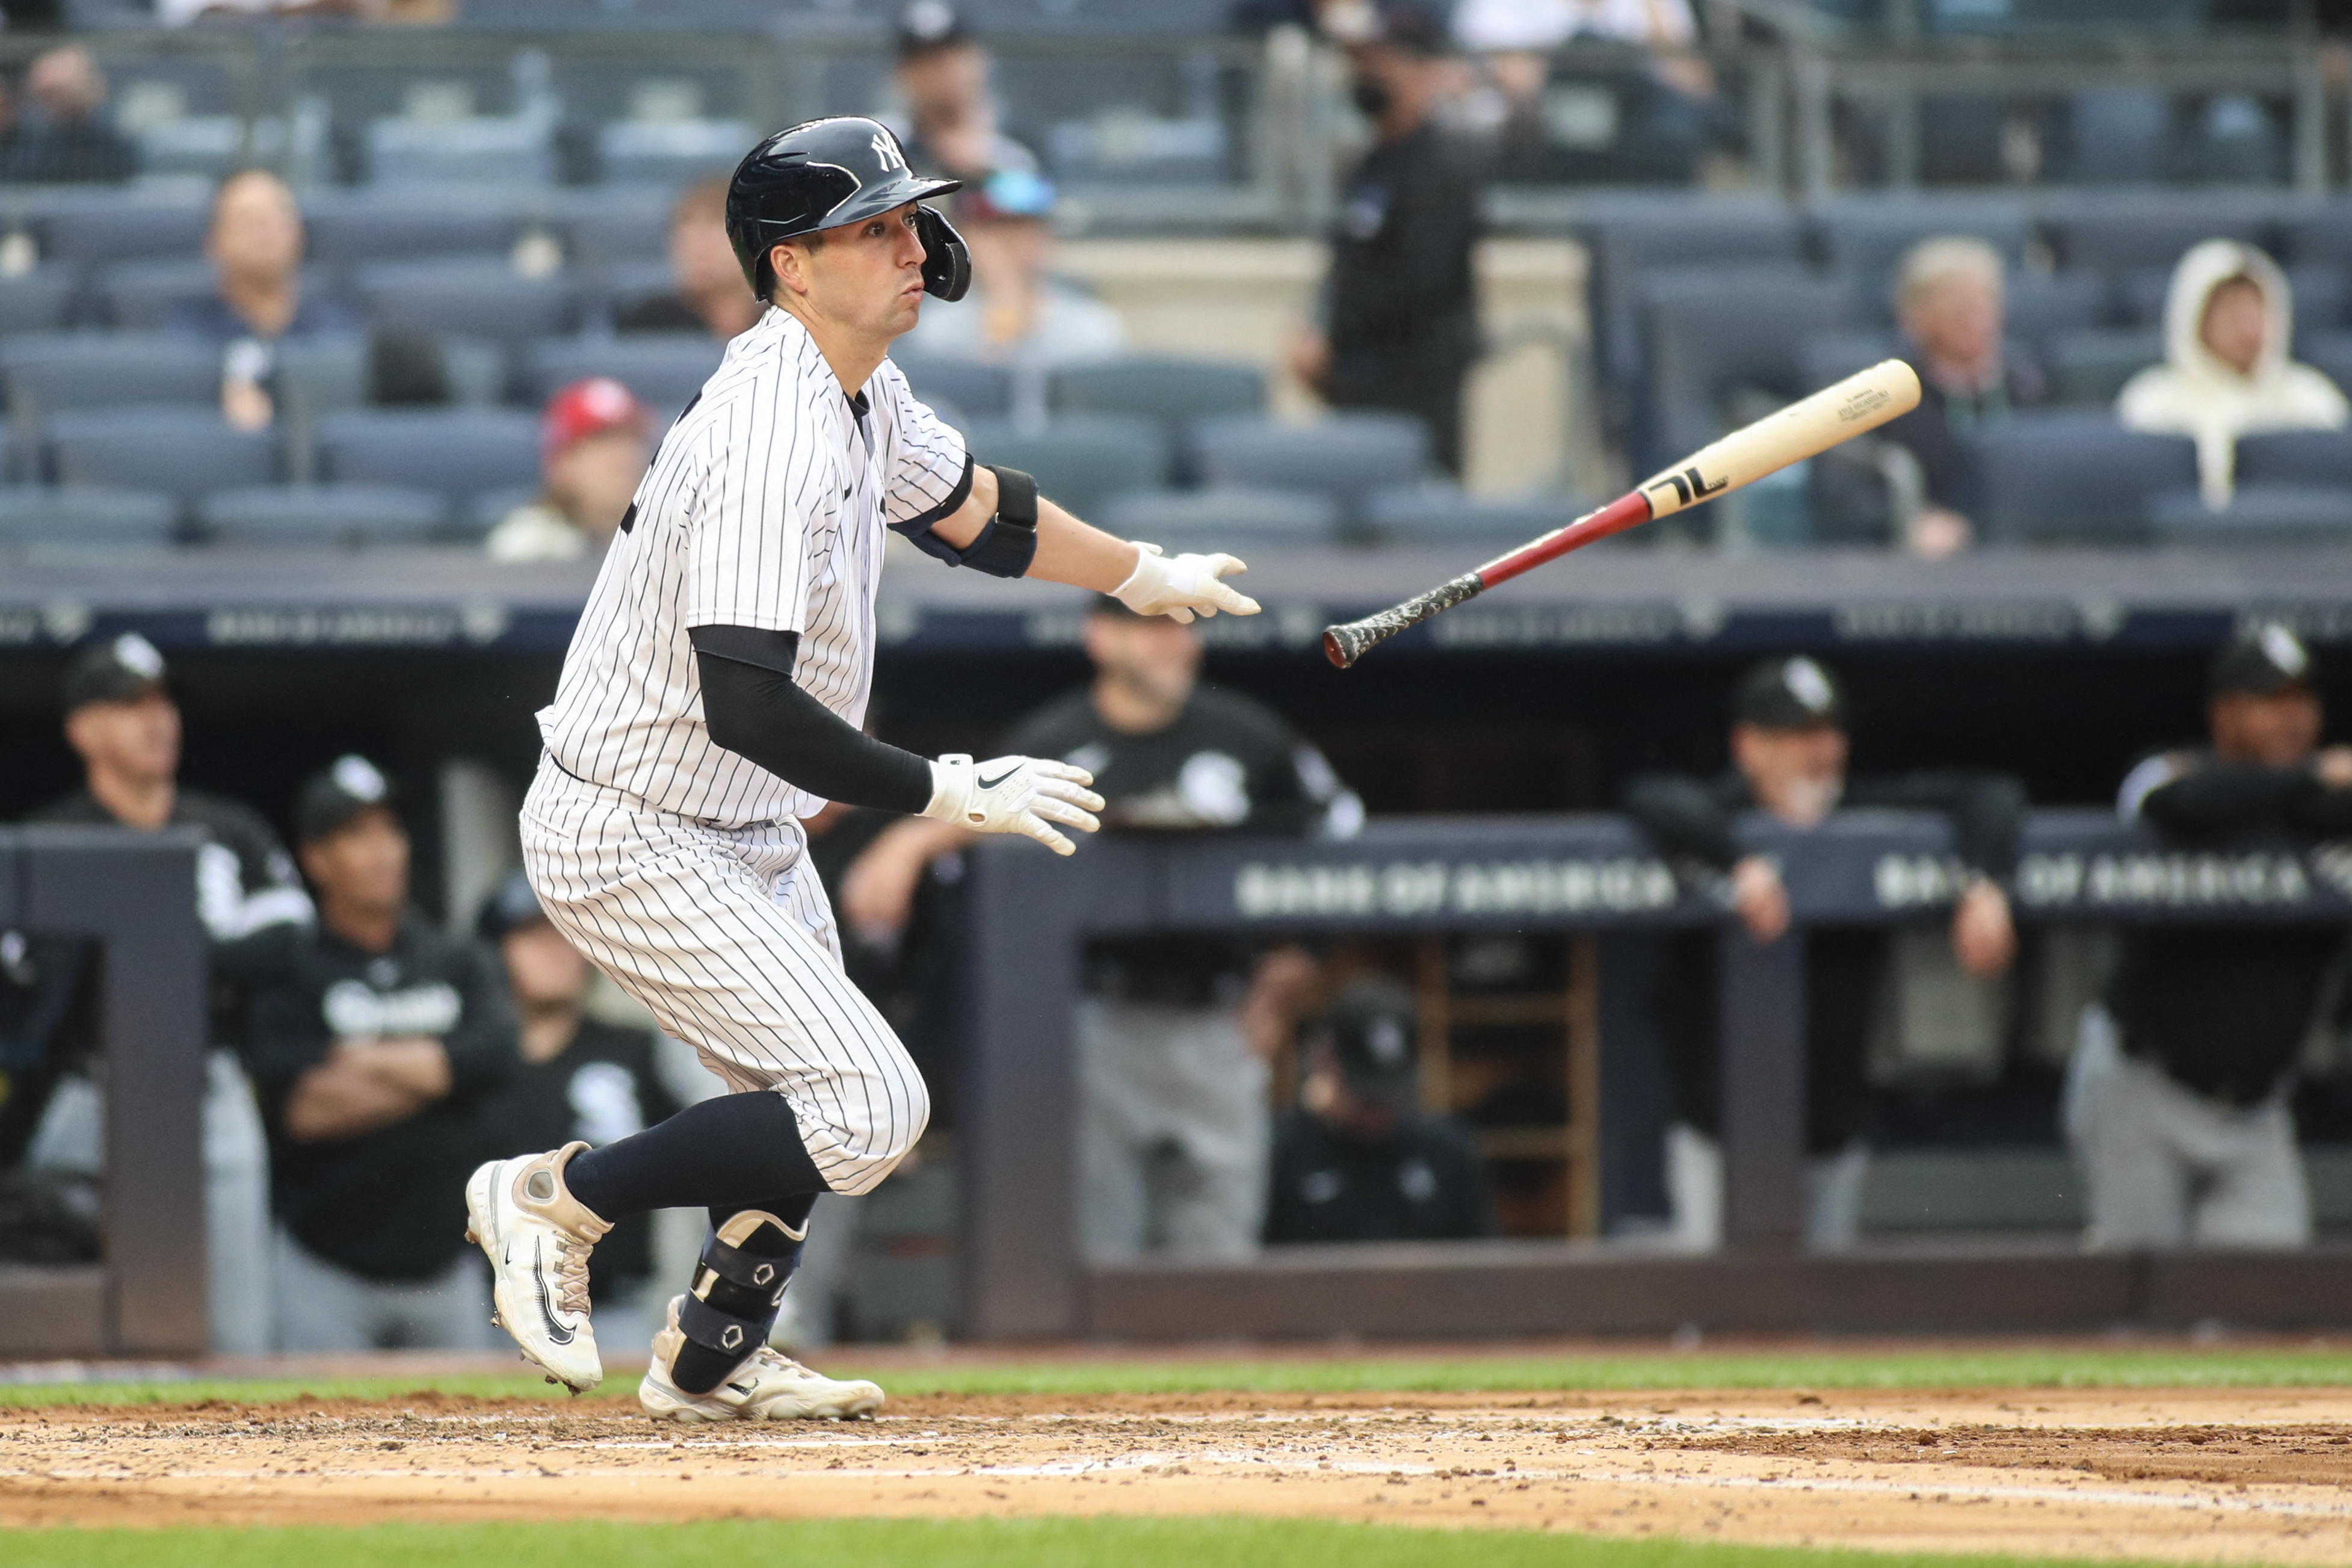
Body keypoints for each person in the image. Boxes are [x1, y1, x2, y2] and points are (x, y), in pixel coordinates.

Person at [464, 117, 1261, 1422]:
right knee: (869, 1107)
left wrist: (1136, 571)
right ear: (790, 266)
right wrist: (943, 789)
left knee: (803, 1097)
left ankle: (713, 1356)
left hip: (739, 825)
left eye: (907, 221)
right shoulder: (766, 431)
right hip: (637, 821)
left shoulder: (857, 389)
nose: (912, 246)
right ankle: (558, 1197)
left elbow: (979, 517)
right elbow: (747, 705)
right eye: (875, 227)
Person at [842, 596, 1354, 1264]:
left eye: (1188, 629)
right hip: (1096, 1020)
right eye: (1157, 627)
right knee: (1098, 1245)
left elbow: (1337, 836)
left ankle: (1218, 1370)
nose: (1180, 644)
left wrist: (1298, 964)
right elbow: (978, 815)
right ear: (1103, 637)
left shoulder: (1249, 736)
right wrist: (907, 844)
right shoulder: (1055, 739)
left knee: (1220, 1245)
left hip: (1220, 1017)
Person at [1624, 655, 2024, 1252]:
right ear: (1749, 745)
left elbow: (1993, 792)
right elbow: (1649, 796)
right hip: (1719, 1128)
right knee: (1715, 1306)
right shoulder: (1717, 815)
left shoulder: (1864, 811)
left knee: (1821, 1311)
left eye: (1830, 732)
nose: (1822, 751)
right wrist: (1738, 861)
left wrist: (1985, 881)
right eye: (1798, 735)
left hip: (1832, 1124)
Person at [24, 632, 310, 1354]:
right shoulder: (56, 839)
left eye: (162, 703)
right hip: (88, 1084)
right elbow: (31, 979)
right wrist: (198, 957)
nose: (157, 720)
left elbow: (289, 942)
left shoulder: (228, 829)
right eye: (128, 705)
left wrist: (150, 951)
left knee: (234, 1326)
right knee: (61, 1309)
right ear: (83, 729)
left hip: (205, 1083)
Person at [2067, 625, 2352, 1251]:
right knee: (2134, 1315)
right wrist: (2311, 779)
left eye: (2303, 701)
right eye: (2270, 701)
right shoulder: (2171, 775)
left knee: (2263, 1314)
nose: (2292, 718)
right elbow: (2179, 803)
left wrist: (2306, 791)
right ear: (2224, 713)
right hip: (2143, 1089)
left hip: (2256, 1112)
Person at [246, 756, 514, 1351]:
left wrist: (367, 1058)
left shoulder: (456, 957)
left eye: (390, 829)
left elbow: (494, 1055)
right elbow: (304, 1109)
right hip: (326, 1269)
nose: (384, 850)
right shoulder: (293, 965)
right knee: (311, 1441)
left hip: (448, 1265)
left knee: (469, 1442)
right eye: (357, 834)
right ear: (317, 858)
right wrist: (441, 1071)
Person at [471, 872, 681, 1350]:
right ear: (496, 952)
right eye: (532, 936)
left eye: (565, 934)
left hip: (616, 1303)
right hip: (492, 1310)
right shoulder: (472, 1063)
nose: (556, 950)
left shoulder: (633, 1048)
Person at [1288, 2, 1484, 475]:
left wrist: (1336, 335)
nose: (1367, 76)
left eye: (1382, 63)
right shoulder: (1370, 162)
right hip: (1357, 374)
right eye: (1361, 63)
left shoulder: (1444, 166)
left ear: (1423, 72)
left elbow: (1424, 279)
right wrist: (1319, 331)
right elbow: (1348, 260)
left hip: (1415, 376)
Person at [1808, 236, 2047, 557]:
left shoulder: (2029, 386)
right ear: (1914, 316)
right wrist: (1905, 521)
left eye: (1985, 305)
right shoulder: (1879, 397)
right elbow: (1842, 488)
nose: (1977, 321)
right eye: (1959, 311)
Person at [1263, 977, 1496, 1245]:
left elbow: (1483, 1262)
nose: (1379, 1109)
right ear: (1325, 1058)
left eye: (1390, 1094)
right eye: (1365, 1095)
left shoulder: (1446, 1149)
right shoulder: (1281, 1150)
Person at [2117, 239, 2349, 508]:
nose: (2247, 327)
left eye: (2255, 309)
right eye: (2229, 311)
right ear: (2195, 317)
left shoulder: (2313, 399)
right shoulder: (2152, 403)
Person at [162, 168, 362, 433]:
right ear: (213, 243)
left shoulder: (339, 328)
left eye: (276, 218)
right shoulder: (186, 331)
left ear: (298, 234)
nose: (264, 231)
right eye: (247, 220)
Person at [899, 169, 1125, 370]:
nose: (1012, 247)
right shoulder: (936, 330)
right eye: (996, 234)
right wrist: (1001, 321)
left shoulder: (1089, 329)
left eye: (1025, 232)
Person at [484, 378, 655, 563]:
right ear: (562, 461)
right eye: (601, 442)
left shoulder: (665, 535)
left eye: (632, 440)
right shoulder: (529, 545)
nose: (624, 458)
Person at [890, 0, 1035, 183]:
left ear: (978, 61)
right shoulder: (885, 154)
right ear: (901, 73)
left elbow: (1035, 204)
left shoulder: (1017, 157)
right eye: (922, 62)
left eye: (948, 58)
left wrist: (986, 174)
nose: (937, 72)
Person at [613, 177, 764, 342]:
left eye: (714, 227)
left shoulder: (789, 323)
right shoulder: (646, 325)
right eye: (685, 229)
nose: (696, 247)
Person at [0, 46, 136, 184]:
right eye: (44, 94)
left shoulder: (116, 142)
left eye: (57, 91)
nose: (51, 100)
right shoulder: (26, 144)